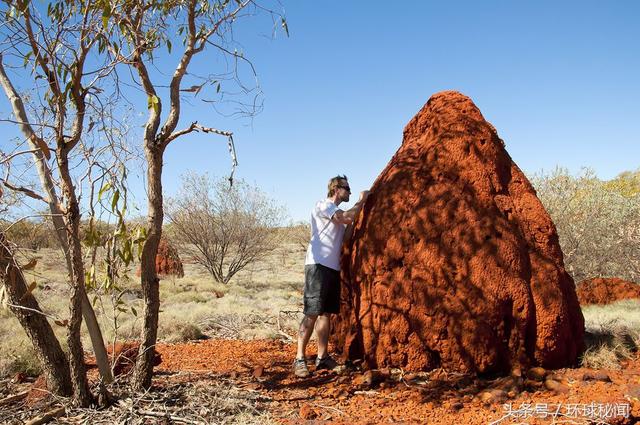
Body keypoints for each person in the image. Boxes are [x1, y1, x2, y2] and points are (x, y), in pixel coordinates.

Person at [293, 175, 369, 378]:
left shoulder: (337, 213)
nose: (350, 192)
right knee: (312, 312)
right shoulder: (323, 205)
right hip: (317, 264)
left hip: (332, 267)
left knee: (325, 313)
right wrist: (361, 201)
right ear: (336, 189)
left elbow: (345, 234)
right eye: (347, 188)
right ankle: (299, 359)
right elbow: (345, 217)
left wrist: (358, 216)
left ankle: (322, 357)